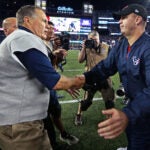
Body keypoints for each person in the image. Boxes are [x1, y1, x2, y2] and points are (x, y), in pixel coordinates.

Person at [0, 5, 84, 150]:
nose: (47, 26)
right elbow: (55, 81)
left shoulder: (18, 38)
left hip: (17, 119)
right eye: (44, 21)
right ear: (27, 20)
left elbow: (39, 75)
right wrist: (79, 80)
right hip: (21, 124)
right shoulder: (24, 38)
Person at [77, 4, 149, 150]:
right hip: (134, 106)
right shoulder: (123, 45)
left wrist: (129, 114)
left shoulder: (147, 47)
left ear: (137, 20)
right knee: (133, 138)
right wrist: (83, 78)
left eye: (124, 17)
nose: (119, 22)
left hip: (145, 112)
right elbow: (105, 67)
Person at [43, 21, 79, 149]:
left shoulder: (50, 44)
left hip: (51, 85)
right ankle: (52, 144)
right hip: (41, 87)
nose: (51, 31)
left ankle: (63, 134)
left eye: (53, 28)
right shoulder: (36, 43)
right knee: (45, 119)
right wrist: (65, 84)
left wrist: (58, 55)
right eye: (48, 28)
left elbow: (53, 66)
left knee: (56, 111)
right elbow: (44, 70)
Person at [75, 30, 115, 125]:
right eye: (91, 39)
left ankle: (109, 119)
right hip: (91, 78)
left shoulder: (107, 47)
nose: (93, 41)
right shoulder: (87, 48)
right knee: (86, 102)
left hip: (104, 78)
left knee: (109, 101)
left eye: (95, 39)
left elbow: (113, 61)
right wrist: (84, 47)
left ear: (99, 38)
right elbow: (80, 60)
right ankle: (78, 115)